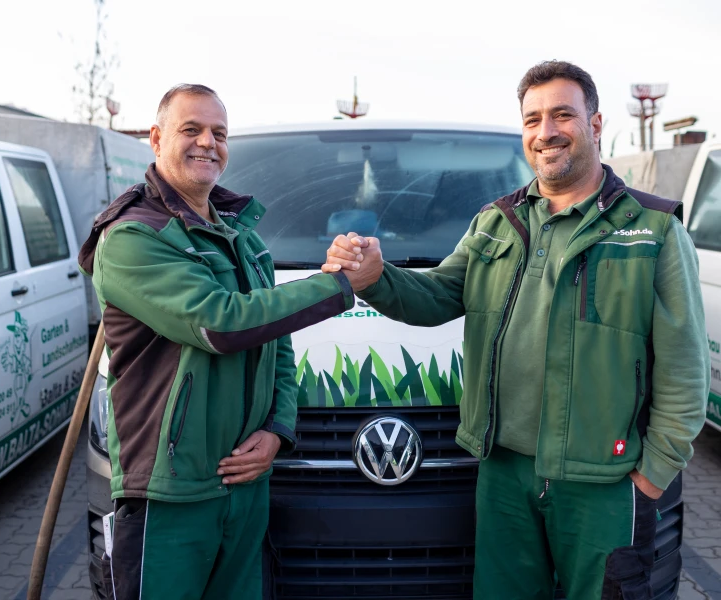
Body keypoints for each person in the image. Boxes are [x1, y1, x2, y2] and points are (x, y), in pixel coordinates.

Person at [322, 61, 710, 600]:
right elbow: (436, 296)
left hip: (604, 482)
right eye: (532, 119)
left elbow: (684, 369)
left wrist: (651, 477)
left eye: (561, 115)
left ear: (595, 126)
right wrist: (375, 278)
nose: (545, 132)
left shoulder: (652, 230)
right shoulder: (496, 222)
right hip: (504, 477)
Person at [78, 84, 354, 600]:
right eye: (192, 129)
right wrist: (340, 283)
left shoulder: (241, 234)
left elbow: (278, 344)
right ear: (156, 139)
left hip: (245, 485)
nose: (208, 142)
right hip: (170, 492)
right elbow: (221, 324)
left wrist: (277, 429)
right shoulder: (133, 237)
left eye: (219, 133)